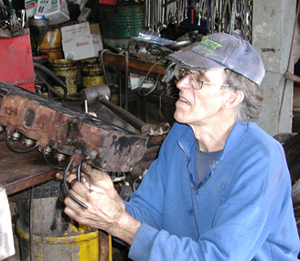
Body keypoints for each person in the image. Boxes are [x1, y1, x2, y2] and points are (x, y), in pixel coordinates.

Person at [57, 32, 300, 260]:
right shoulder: (180, 137)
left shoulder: (261, 160)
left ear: (233, 97)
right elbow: (149, 215)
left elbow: (217, 257)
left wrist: (118, 223)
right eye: (185, 73)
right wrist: (112, 203)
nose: (181, 83)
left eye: (198, 79)